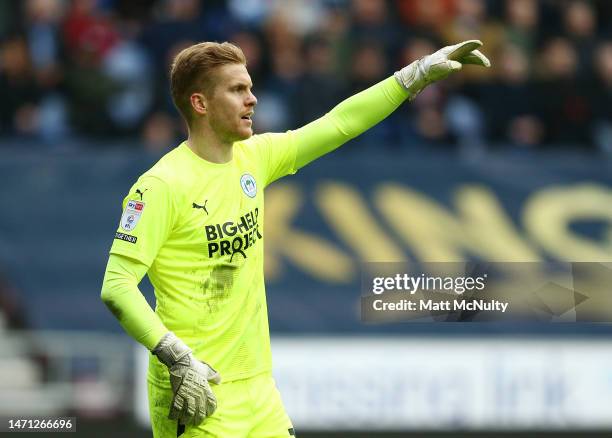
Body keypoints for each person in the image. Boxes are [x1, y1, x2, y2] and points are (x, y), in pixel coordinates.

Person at [100, 39, 489, 437]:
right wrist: (176, 357)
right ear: (200, 104)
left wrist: (414, 76)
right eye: (237, 90)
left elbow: (339, 124)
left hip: (258, 388)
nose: (252, 100)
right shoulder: (162, 185)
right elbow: (116, 286)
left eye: (250, 88)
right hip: (196, 388)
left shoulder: (255, 157)